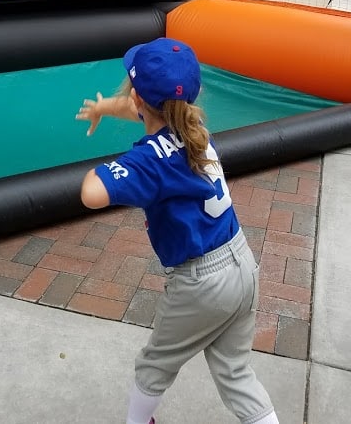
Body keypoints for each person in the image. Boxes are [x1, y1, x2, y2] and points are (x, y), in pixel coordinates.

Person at [78, 37, 279, 424]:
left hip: (201, 283)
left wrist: (94, 170)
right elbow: (143, 109)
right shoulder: (193, 126)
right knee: (235, 372)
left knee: (153, 366)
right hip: (242, 264)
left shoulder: (148, 161)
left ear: (137, 98)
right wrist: (105, 107)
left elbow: (92, 194)